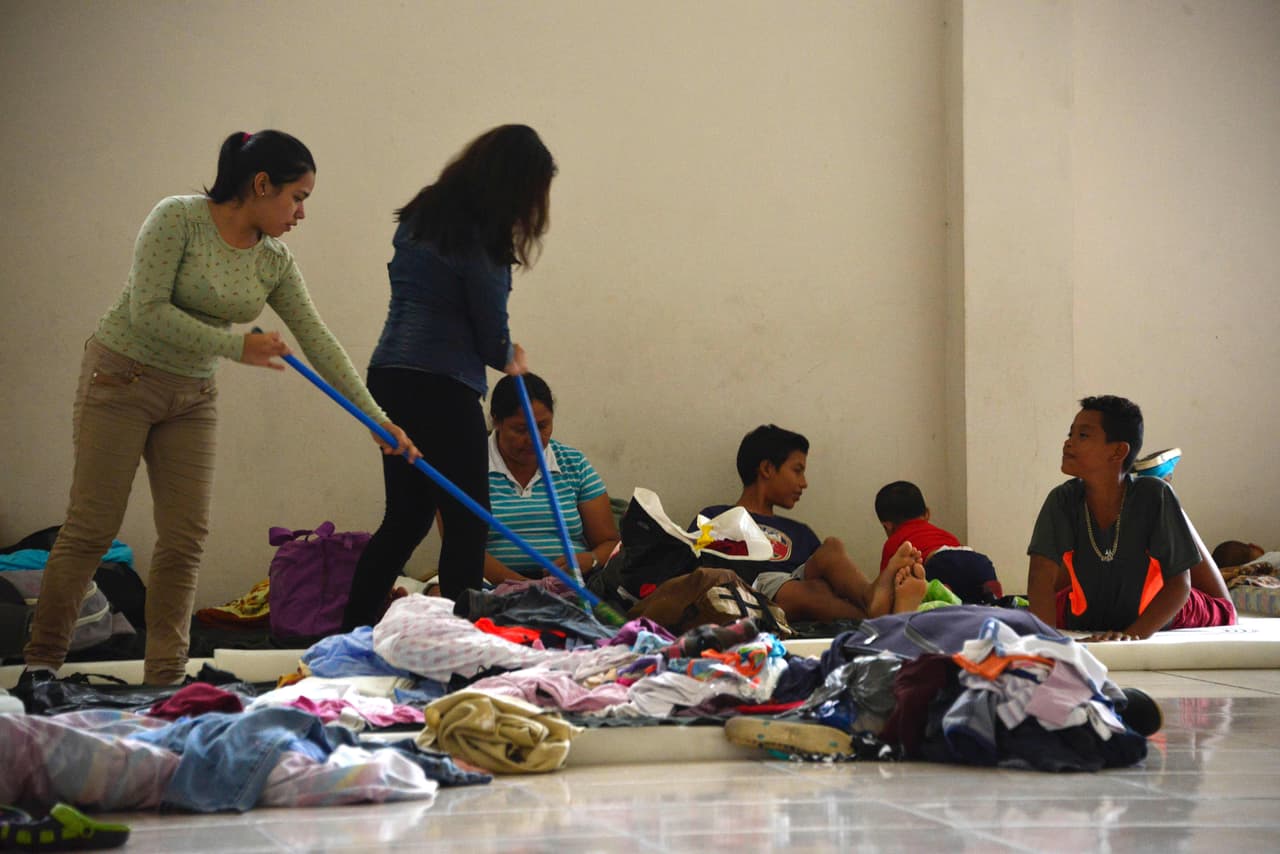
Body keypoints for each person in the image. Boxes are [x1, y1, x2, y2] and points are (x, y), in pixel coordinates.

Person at [20, 130, 416, 690]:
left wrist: (376, 418)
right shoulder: (177, 219)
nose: (301, 212)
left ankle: (164, 678)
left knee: (185, 538)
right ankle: (40, 664)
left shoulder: (274, 260)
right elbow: (147, 309)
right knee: (91, 528)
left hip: (192, 395)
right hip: (121, 378)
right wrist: (236, 346)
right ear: (261, 185)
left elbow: (318, 339)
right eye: (296, 197)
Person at [342, 125, 556, 629]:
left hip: (390, 376)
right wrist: (510, 355)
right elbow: (488, 333)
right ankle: (461, 638)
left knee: (407, 517)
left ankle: (349, 630)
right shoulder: (482, 234)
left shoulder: (425, 214)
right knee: (468, 517)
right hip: (441, 385)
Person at [1027, 395, 1236, 640]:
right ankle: (1146, 478)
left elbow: (1180, 586)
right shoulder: (1061, 499)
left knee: (1225, 610)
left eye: (1082, 435)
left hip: (1157, 609)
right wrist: (1049, 644)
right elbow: (1040, 579)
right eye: (1070, 433)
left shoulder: (1153, 497)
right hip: (1091, 613)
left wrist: (1131, 636)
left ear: (1118, 450)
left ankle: (1159, 481)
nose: (1068, 443)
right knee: (1035, 608)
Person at [696, 425, 926, 622]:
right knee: (804, 592)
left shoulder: (800, 532)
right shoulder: (717, 516)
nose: (804, 483)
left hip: (798, 584)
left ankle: (871, 596)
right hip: (753, 592)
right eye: (797, 471)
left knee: (832, 548)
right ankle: (881, 617)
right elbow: (698, 575)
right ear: (766, 469)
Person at [476, 373, 619, 584]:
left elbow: (609, 542)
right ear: (496, 421)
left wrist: (591, 559)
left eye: (542, 427)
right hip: (492, 587)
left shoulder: (573, 463)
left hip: (571, 587)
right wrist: (526, 588)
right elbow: (462, 548)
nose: (533, 439)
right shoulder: (470, 466)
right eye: (521, 429)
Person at [874, 481, 1003, 604]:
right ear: (927, 514)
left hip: (938, 563)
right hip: (976, 559)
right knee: (984, 597)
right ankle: (995, 600)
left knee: (939, 598)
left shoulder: (894, 543)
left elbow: (884, 587)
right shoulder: (945, 534)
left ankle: (947, 594)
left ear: (887, 526)